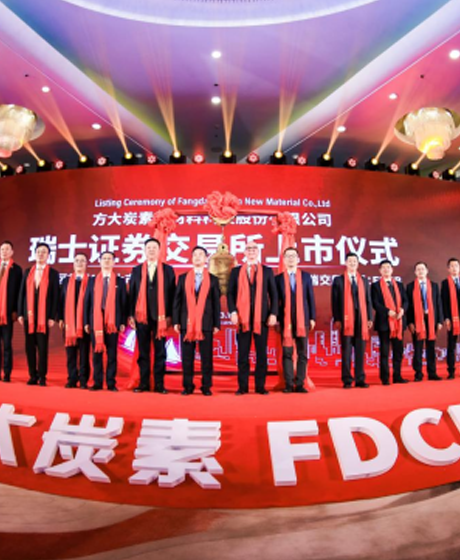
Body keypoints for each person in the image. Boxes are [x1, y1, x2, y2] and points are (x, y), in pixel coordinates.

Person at [227, 241, 278, 395]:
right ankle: (242, 387)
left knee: (261, 354)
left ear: (258, 251)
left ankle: (260, 386)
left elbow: (274, 294)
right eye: (248, 249)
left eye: (254, 248)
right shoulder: (236, 271)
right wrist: (232, 312)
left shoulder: (267, 271)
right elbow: (230, 293)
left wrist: (273, 313)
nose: (251, 251)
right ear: (244, 252)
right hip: (242, 319)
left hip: (261, 319)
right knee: (243, 354)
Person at [128, 237, 176, 394]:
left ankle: (160, 384)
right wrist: (131, 315)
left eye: (154, 247)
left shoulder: (168, 270)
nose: (151, 250)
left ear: (159, 250)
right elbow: (132, 294)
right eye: (148, 247)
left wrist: (170, 316)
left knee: (160, 352)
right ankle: (143, 383)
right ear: (144, 250)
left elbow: (172, 295)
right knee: (143, 352)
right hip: (141, 317)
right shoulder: (136, 270)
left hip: (161, 318)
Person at [173, 246, 221, 395]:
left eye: (201, 255)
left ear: (206, 259)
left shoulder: (213, 279)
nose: (198, 257)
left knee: (206, 357)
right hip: (186, 323)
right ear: (192, 258)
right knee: (187, 357)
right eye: (195, 255)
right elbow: (177, 301)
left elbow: (216, 303)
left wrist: (216, 323)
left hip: (206, 323)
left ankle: (206, 386)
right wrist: (176, 321)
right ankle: (187, 386)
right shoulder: (183, 278)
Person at [17, 242, 59, 386]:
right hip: (28, 314)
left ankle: (42, 376)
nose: (41, 254)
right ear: (35, 254)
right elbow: (22, 294)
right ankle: (32, 375)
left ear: (48, 255)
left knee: (42, 347)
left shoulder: (53, 273)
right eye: (39, 251)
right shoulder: (28, 271)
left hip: (44, 316)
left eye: (44, 252)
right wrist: (21, 313)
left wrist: (52, 316)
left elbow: (55, 296)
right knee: (29, 346)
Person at [84, 251, 127, 391]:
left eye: (109, 259)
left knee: (112, 354)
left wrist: (122, 322)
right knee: (96, 353)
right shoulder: (92, 280)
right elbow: (87, 302)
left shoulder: (120, 281)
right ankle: (97, 382)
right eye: (104, 258)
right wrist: (86, 321)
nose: (107, 261)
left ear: (114, 262)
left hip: (112, 322)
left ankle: (111, 383)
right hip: (96, 321)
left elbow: (123, 303)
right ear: (100, 261)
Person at [275, 247, 316, 393]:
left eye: (293, 256)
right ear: (284, 259)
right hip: (285, 320)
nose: (291, 258)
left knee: (302, 353)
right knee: (287, 353)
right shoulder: (278, 279)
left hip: (303, 319)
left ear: (298, 259)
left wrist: (312, 317)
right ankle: (288, 383)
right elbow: (276, 301)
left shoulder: (305, 277)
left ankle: (299, 383)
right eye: (288, 256)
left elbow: (310, 298)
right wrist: (277, 318)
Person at [331, 252, 373, 389]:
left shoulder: (364, 281)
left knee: (360, 351)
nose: (352, 263)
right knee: (347, 351)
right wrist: (337, 319)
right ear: (346, 263)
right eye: (350, 261)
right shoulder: (339, 280)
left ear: (358, 263)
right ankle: (347, 379)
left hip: (361, 320)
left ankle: (360, 379)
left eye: (355, 261)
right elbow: (335, 302)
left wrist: (369, 317)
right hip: (346, 320)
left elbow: (368, 300)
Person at [371, 259, 408, 385]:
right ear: (380, 271)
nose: (386, 269)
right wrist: (387, 312)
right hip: (384, 323)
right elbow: (375, 303)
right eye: (384, 267)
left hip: (398, 322)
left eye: (388, 267)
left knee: (398, 351)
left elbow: (406, 300)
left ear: (392, 270)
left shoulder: (399, 285)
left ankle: (397, 376)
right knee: (385, 352)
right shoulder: (375, 286)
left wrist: (402, 309)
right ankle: (385, 378)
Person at [406, 261, 443, 382]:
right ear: (415, 272)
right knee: (417, 347)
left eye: (422, 269)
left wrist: (439, 320)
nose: (420, 271)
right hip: (417, 320)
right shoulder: (410, 287)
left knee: (431, 347)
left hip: (431, 320)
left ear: (427, 271)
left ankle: (432, 372)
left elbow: (438, 304)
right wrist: (410, 322)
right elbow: (408, 306)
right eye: (418, 269)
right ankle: (418, 373)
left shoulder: (434, 285)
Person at [59, 253, 90, 389]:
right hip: (69, 322)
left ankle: (83, 380)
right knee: (70, 353)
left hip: (84, 323)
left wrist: (89, 321)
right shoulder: (66, 281)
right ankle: (71, 379)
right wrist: (60, 317)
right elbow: (60, 300)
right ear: (73, 264)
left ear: (86, 264)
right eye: (77, 260)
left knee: (84, 354)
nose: (79, 263)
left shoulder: (91, 281)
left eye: (82, 261)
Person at [0, 240, 22, 382]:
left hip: (7, 313)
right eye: (2, 249)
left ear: (12, 252)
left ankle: (7, 373)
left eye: (7, 249)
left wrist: (15, 310)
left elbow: (19, 292)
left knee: (7, 344)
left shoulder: (16, 269)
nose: (4, 251)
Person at [441, 258, 460, 379]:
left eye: (456, 266)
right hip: (453, 318)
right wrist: (447, 318)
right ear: (448, 269)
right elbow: (444, 302)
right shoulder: (445, 283)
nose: (454, 268)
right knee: (451, 345)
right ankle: (451, 370)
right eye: (452, 266)